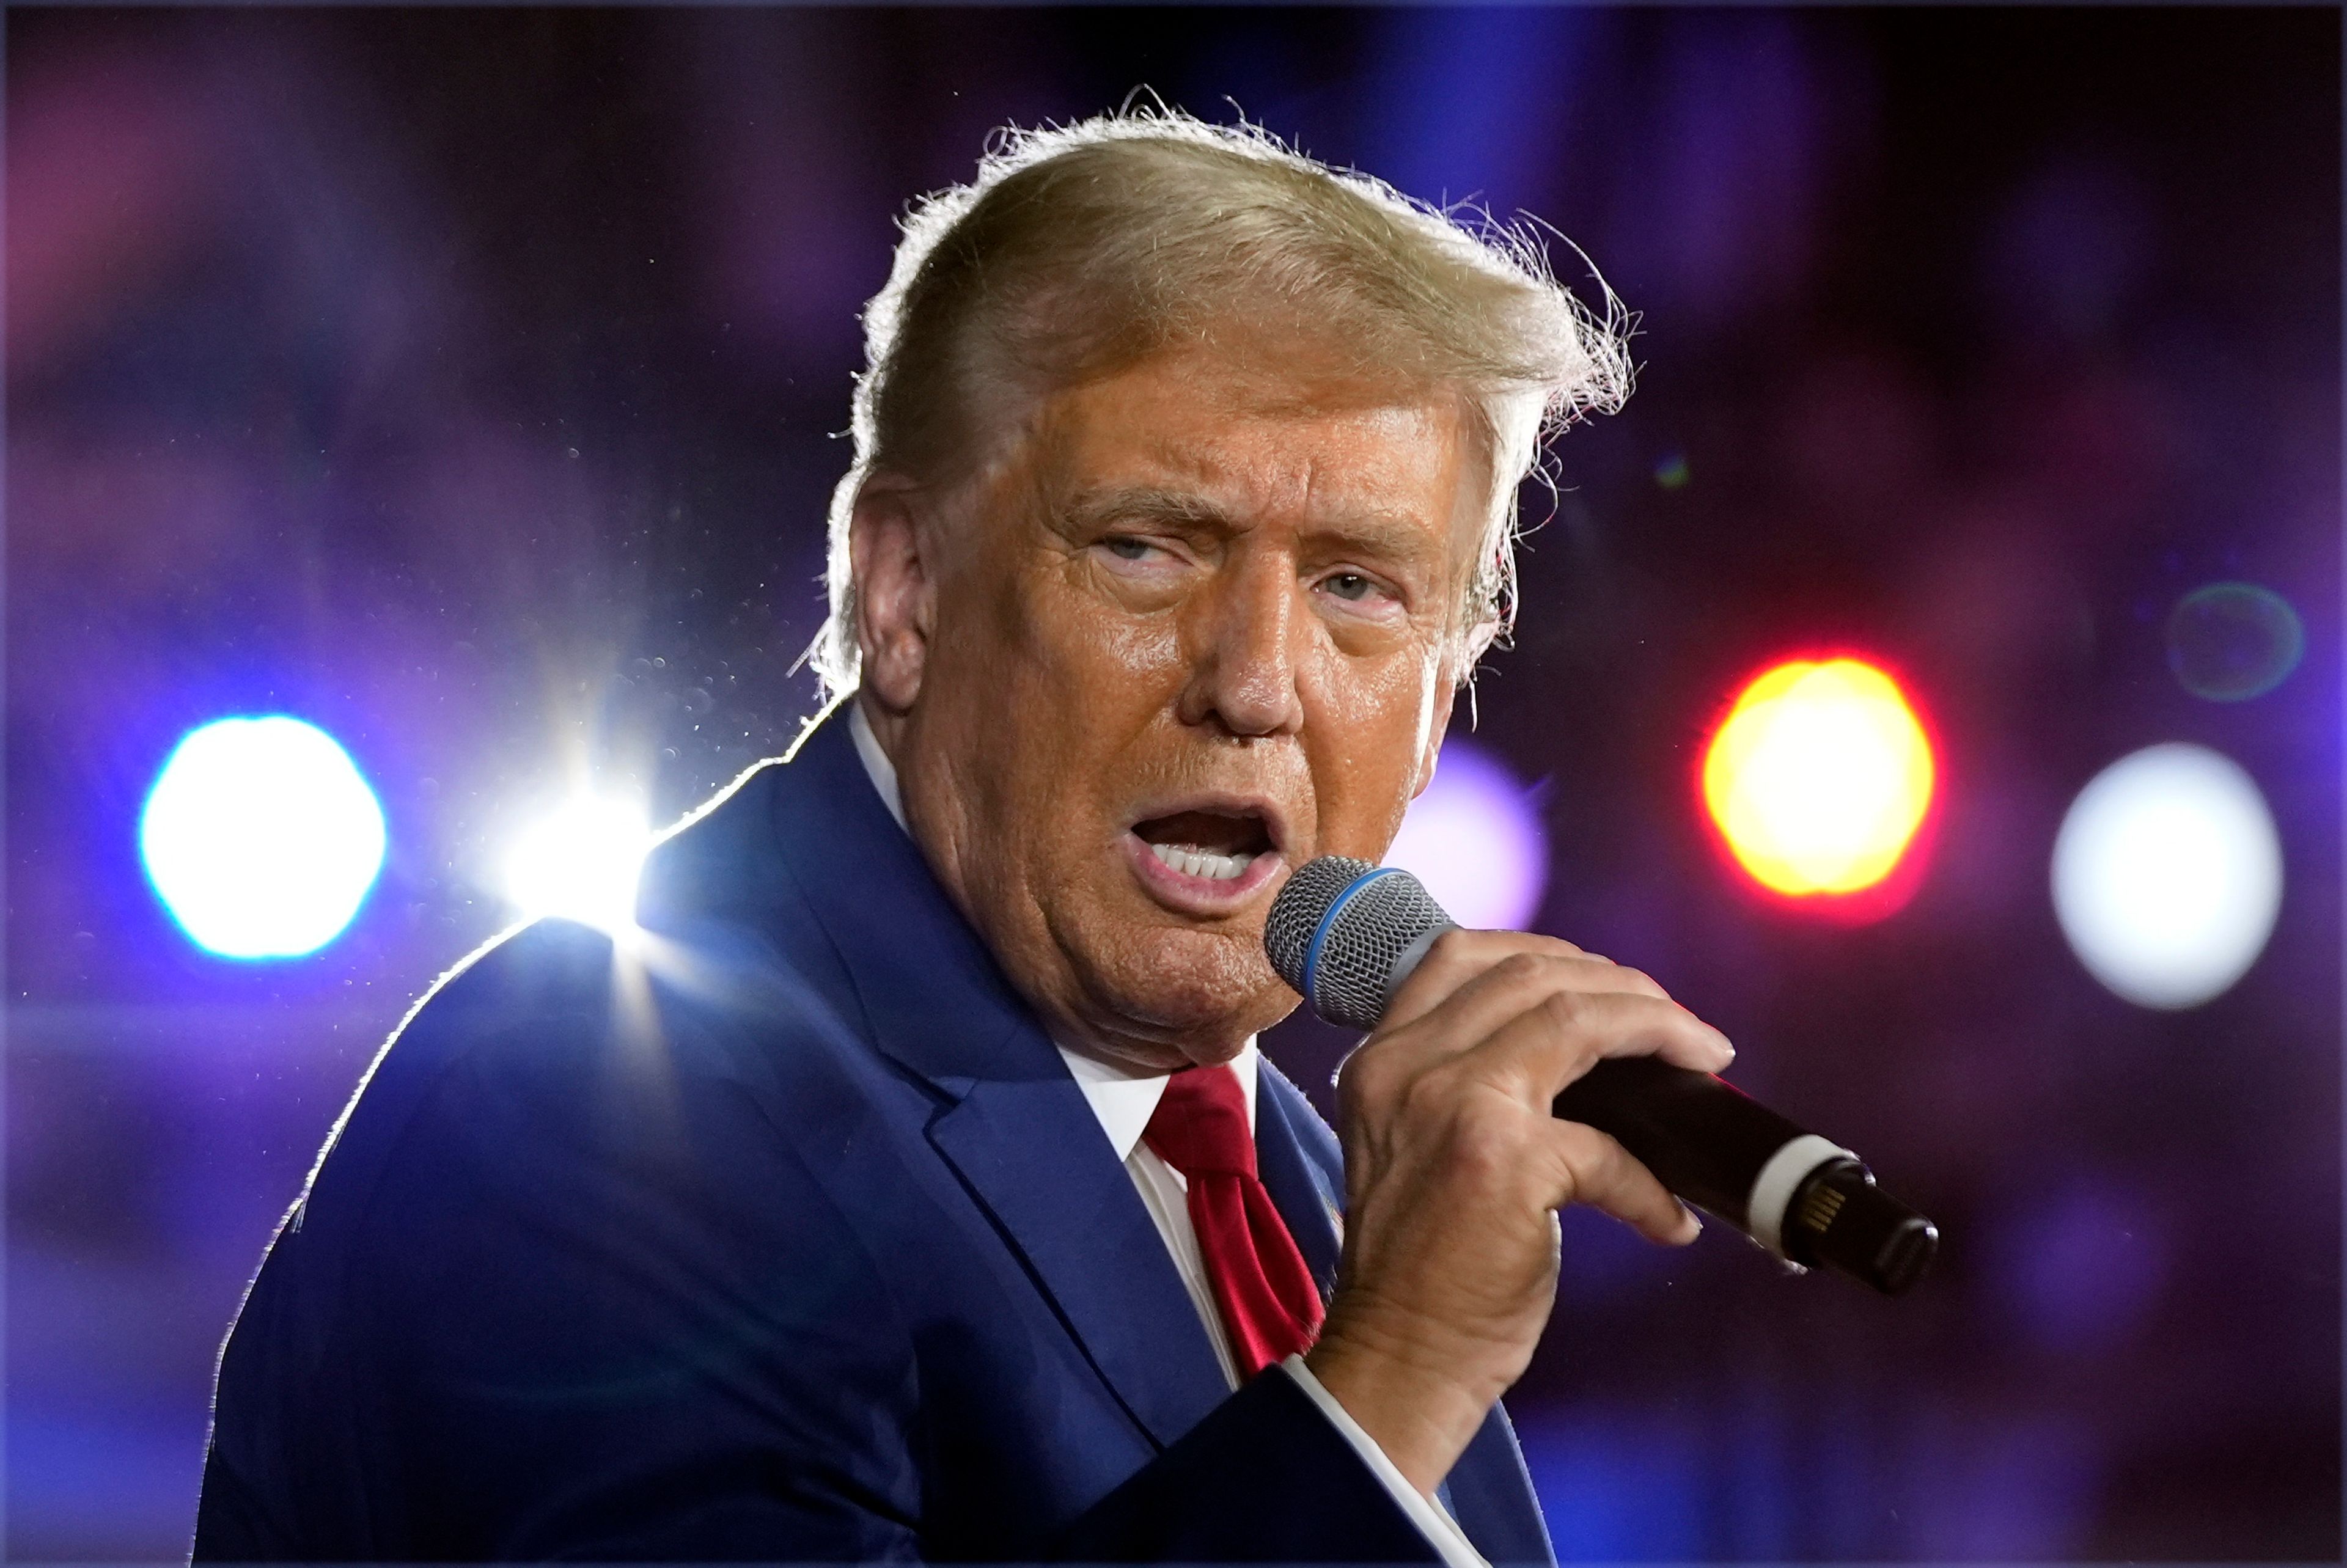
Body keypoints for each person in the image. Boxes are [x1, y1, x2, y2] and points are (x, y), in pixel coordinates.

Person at [193, 110, 1736, 1563]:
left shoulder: (1310, 1177)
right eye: (1146, 548)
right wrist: (1388, 1376)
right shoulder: (602, 1103)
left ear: (1448, 680)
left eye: (1358, 587)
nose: (1258, 681)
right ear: (907, 591)